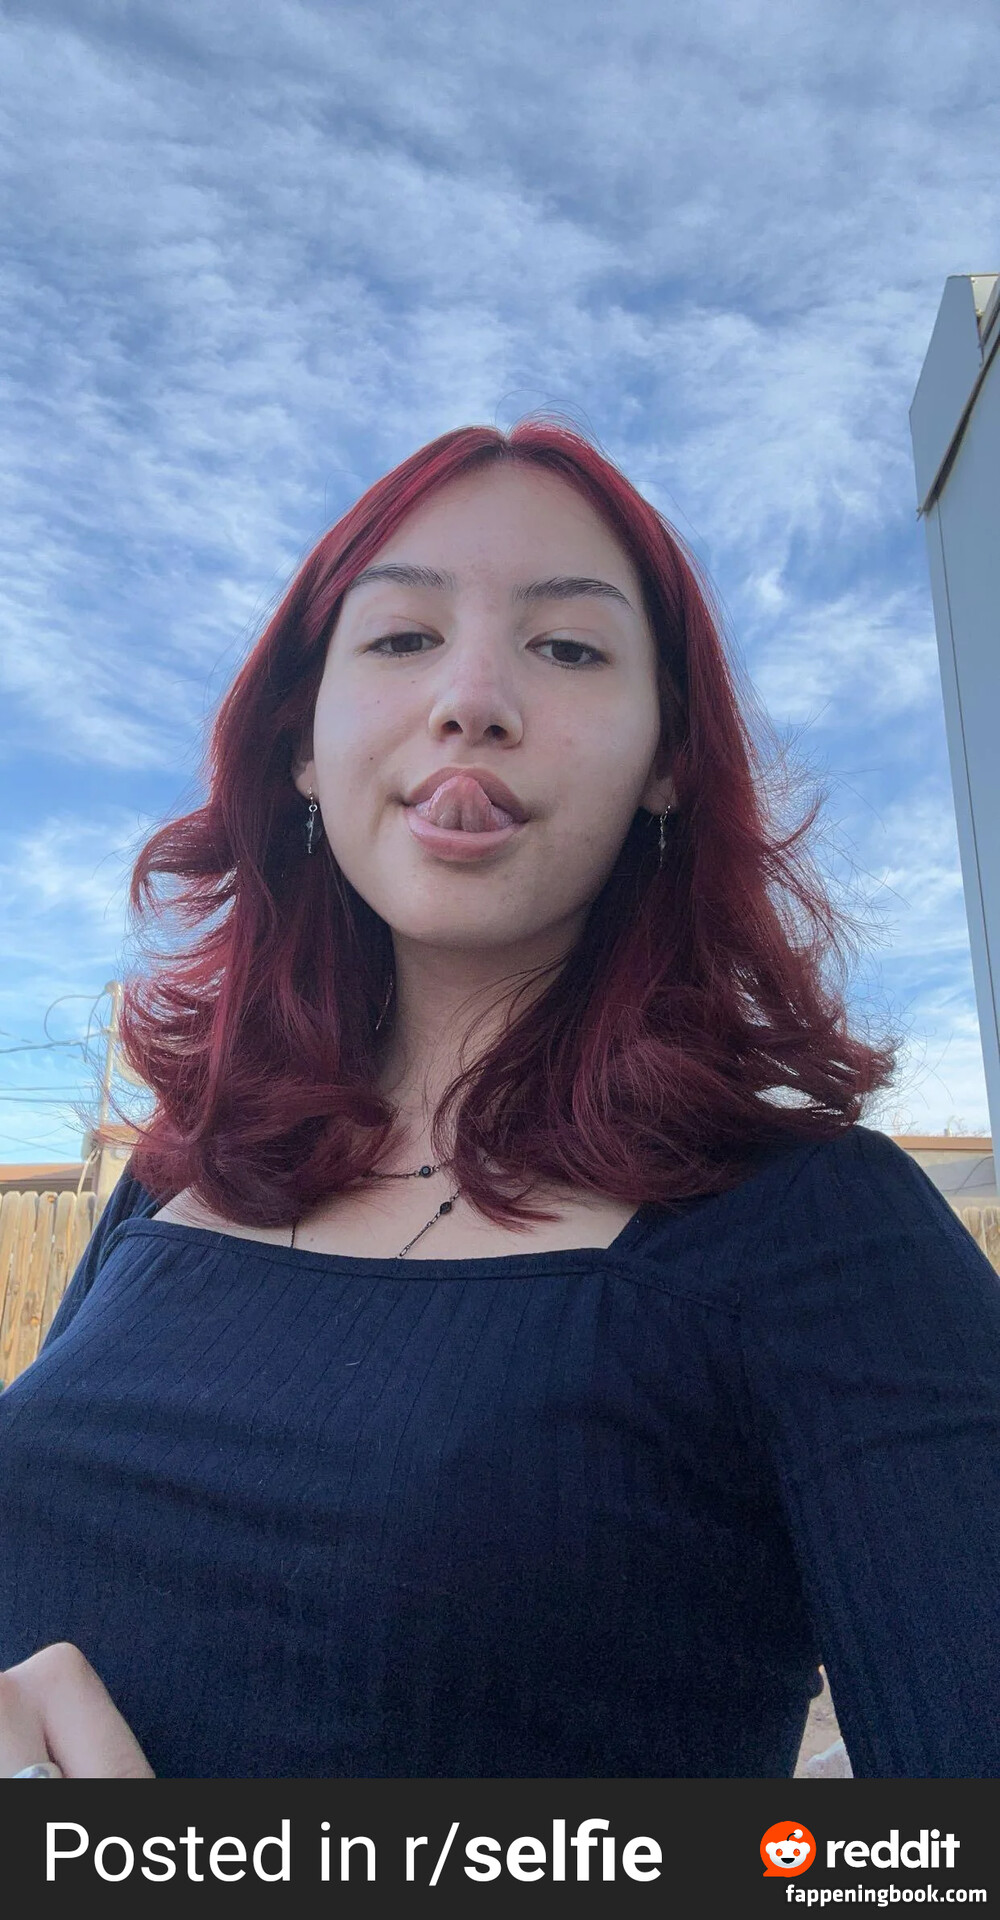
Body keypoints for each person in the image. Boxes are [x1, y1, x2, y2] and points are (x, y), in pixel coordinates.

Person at [1, 421, 999, 1780]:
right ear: (301, 745)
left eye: (569, 648)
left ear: (666, 759)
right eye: (403, 638)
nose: (471, 700)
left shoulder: (821, 1236)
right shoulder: (180, 1175)